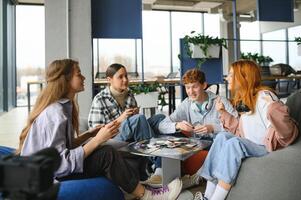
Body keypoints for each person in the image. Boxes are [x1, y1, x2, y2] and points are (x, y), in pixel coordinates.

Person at [17, 59, 182, 200]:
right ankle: (146, 194)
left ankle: (148, 178)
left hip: (57, 164)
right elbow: (61, 163)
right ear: (65, 80)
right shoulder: (56, 114)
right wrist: (98, 139)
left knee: (155, 119)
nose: (83, 77)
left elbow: (63, 146)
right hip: (47, 175)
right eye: (78, 74)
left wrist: (87, 135)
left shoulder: (64, 107)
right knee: (106, 154)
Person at [193, 60, 299, 200]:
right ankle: (207, 196)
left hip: (264, 147)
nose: (227, 78)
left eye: (231, 75)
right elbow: (241, 131)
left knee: (233, 144)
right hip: (250, 143)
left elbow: (287, 134)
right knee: (221, 137)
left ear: (243, 77)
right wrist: (223, 113)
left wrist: (274, 109)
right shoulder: (245, 98)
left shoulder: (265, 96)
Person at [145, 68, 238, 187]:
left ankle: (196, 177)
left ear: (204, 85)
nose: (191, 91)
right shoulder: (186, 103)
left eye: (194, 87)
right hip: (195, 143)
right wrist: (177, 125)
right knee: (169, 134)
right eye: (187, 87)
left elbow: (237, 126)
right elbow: (162, 125)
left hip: (215, 143)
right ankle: (159, 173)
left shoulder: (220, 101)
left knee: (222, 137)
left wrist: (213, 128)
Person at [88, 63, 164, 142]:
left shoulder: (129, 94)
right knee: (139, 119)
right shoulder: (100, 99)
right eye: (120, 77)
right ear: (109, 80)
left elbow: (133, 121)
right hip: (112, 137)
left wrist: (134, 114)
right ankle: (153, 148)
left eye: (126, 76)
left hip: (129, 131)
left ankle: (157, 144)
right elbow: (95, 132)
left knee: (159, 117)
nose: (125, 80)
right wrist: (120, 119)